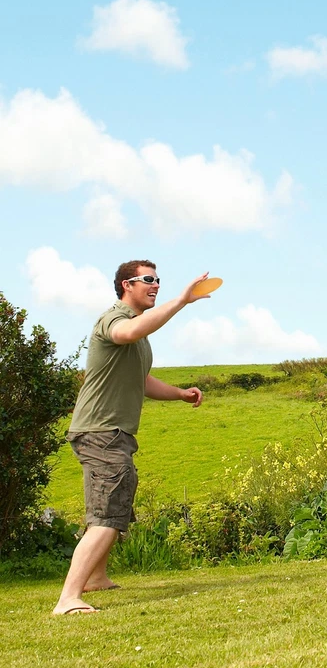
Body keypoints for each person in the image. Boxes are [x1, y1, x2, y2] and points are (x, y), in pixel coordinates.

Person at [53, 261, 215, 615]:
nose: (155, 285)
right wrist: (181, 301)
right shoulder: (114, 319)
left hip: (112, 432)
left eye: (158, 280)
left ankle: (96, 577)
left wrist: (179, 393)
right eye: (148, 280)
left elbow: (141, 382)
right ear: (127, 284)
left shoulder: (139, 338)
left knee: (112, 503)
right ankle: (68, 599)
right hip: (101, 431)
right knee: (109, 511)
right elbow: (126, 333)